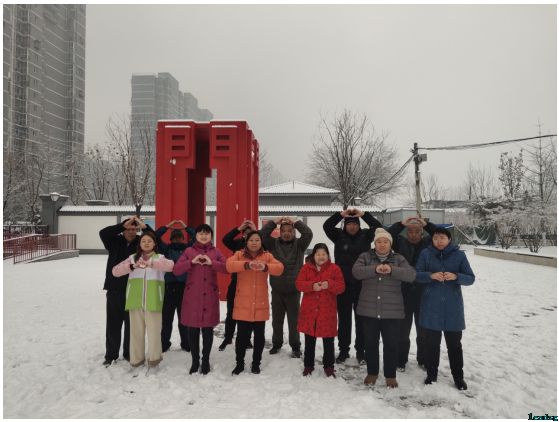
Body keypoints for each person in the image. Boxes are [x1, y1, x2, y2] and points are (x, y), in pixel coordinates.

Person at [352, 228, 416, 388]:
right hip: (369, 310)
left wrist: (392, 270)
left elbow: (411, 275)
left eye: (385, 241)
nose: (382, 244)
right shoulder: (365, 256)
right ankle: (372, 372)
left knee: (391, 344)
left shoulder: (399, 258)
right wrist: (374, 269)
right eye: (379, 241)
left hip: (392, 311)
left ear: (390, 244)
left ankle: (390, 375)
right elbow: (356, 272)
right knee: (370, 344)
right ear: (375, 243)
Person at [415, 227, 475, 391]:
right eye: (435, 238)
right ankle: (431, 375)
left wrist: (456, 276)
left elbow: (471, 278)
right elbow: (416, 275)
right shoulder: (426, 254)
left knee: (454, 345)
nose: (439, 241)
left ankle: (458, 377)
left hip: (452, 308)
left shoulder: (459, 255)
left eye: (442, 238)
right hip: (431, 306)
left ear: (449, 239)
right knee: (431, 345)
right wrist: (430, 276)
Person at [323, 208, 382, 364]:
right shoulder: (338, 235)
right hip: (343, 285)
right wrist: (340, 215)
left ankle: (361, 351)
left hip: (362, 285)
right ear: (345, 225)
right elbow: (326, 226)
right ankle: (343, 351)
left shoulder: (366, 235)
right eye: (349, 224)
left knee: (361, 320)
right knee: (344, 320)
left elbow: (378, 227)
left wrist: (364, 215)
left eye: (355, 224)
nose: (352, 226)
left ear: (359, 225)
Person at [112, 231, 174, 370]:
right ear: (139, 244)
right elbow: (115, 271)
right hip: (135, 301)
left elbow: (171, 266)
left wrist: (152, 264)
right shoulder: (132, 258)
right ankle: (136, 360)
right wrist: (131, 266)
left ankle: (154, 360)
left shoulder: (160, 258)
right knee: (136, 332)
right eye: (143, 241)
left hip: (154, 300)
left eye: (149, 241)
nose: (146, 243)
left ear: (154, 243)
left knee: (154, 332)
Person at [226, 231, 284, 375]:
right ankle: (239, 364)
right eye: (251, 240)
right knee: (241, 338)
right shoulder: (239, 254)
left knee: (259, 338)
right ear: (246, 242)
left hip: (260, 304)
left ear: (261, 242)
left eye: (257, 240)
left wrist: (265, 267)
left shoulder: (267, 256)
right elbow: (229, 265)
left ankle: (256, 364)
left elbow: (280, 268)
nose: (254, 243)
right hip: (243, 304)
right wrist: (246, 265)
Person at [99, 216, 154, 366]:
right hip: (115, 289)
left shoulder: (141, 244)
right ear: (123, 230)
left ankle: (129, 353)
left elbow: (156, 240)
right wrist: (121, 225)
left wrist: (145, 227)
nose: (131, 232)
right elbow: (103, 233)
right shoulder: (114, 241)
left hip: (134, 289)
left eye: (134, 229)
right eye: (128, 229)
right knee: (113, 324)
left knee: (132, 324)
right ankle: (111, 354)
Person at [173, 224, 228, 375]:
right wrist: (191, 262)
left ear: (211, 236)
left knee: (208, 329)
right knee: (193, 329)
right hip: (192, 297)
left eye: (207, 233)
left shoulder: (216, 251)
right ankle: (195, 360)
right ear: (196, 236)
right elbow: (176, 270)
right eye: (201, 233)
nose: (204, 236)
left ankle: (206, 360)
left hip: (209, 295)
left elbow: (226, 268)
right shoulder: (189, 251)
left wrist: (212, 263)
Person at [387, 216, 438, 372]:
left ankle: (423, 359)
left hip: (424, 294)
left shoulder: (428, 244)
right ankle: (400, 360)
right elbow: (388, 234)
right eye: (410, 231)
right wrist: (401, 223)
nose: (413, 234)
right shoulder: (400, 243)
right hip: (403, 294)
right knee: (402, 332)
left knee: (423, 331)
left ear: (422, 233)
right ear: (406, 232)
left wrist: (427, 224)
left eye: (417, 231)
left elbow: (439, 234)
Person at [261, 216, 313, 358]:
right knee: (277, 320)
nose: (286, 233)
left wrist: (296, 221)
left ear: (294, 232)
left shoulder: (300, 245)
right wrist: (274, 222)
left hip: (293, 291)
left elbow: (308, 233)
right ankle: (276, 343)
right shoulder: (273, 244)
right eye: (283, 231)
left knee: (294, 321)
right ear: (279, 231)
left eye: (290, 231)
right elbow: (262, 234)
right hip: (277, 290)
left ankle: (295, 346)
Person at [296, 243, 345, 377]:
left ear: (328, 255)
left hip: (327, 311)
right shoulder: (306, 268)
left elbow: (341, 287)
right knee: (309, 341)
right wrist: (312, 286)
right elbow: (299, 284)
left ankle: (329, 367)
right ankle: (308, 365)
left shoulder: (334, 268)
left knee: (328, 341)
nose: (321, 257)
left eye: (324, 254)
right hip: (309, 311)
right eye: (318, 254)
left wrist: (329, 284)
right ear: (313, 256)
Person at [155, 219, 195, 353]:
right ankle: (164, 343)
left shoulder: (188, 249)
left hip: (184, 288)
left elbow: (196, 237)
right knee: (167, 318)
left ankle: (186, 343)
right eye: (175, 238)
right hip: (169, 287)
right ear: (171, 239)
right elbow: (155, 237)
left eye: (179, 237)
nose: (177, 240)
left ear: (183, 238)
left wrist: (186, 227)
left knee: (184, 318)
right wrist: (166, 226)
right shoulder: (166, 249)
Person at [219, 219, 257, 351]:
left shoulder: (258, 246)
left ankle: (247, 339)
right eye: (245, 233)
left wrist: (255, 231)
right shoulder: (237, 244)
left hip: (250, 283)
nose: (248, 235)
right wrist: (238, 228)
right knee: (231, 312)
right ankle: (228, 337)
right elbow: (225, 239)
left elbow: (265, 243)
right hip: (236, 282)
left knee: (247, 313)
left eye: (250, 233)